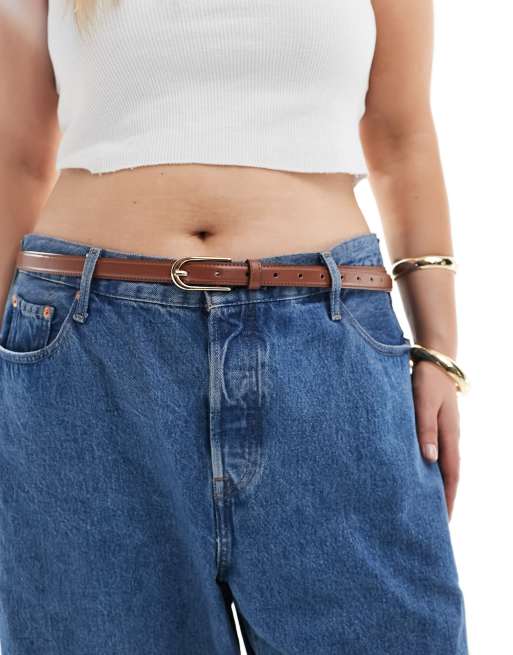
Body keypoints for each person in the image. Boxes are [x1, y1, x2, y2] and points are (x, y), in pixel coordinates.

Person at [0, 1, 468, 653]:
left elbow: (402, 137)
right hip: (88, 360)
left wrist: (438, 352)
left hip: (330, 352)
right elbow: (18, 160)